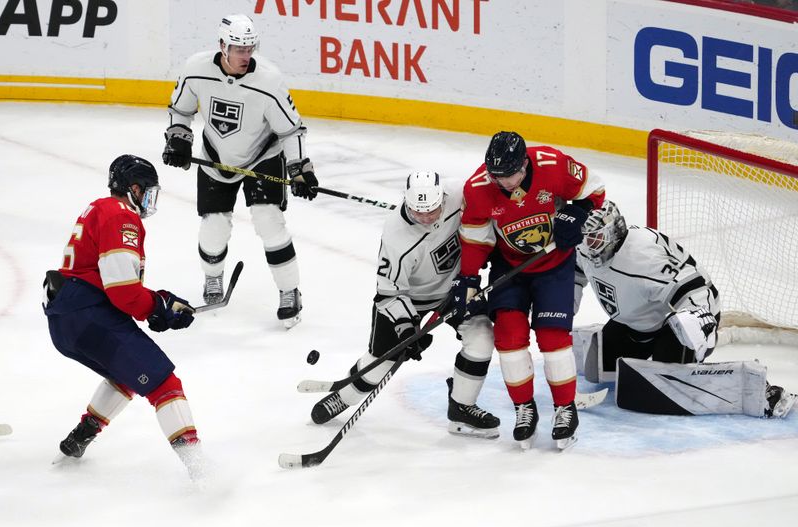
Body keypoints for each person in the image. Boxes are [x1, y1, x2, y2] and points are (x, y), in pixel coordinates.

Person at [43, 155, 203, 480]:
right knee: (164, 385)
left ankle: (80, 438)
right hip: (89, 313)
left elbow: (113, 285)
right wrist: (157, 308)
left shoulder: (100, 208)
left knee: (126, 374)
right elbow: (122, 290)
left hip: (66, 320)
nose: (148, 200)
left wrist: (159, 305)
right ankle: (200, 469)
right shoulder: (122, 215)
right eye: (147, 192)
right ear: (133, 188)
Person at [311, 171, 501, 439]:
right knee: (381, 363)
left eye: (432, 211)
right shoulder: (395, 235)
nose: (425, 218)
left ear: (443, 199)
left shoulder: (460, 193)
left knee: (482, 338)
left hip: (457, 288)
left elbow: (495, 184)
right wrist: (406, 329)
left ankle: (461, 408)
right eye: (417, 212)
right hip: (408, 298)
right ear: (406, 202)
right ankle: (346, 395)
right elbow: (388, 292)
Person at [162, 13, 319, 328]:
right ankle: (212, 277)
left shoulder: (269, 81)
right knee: (214, 228)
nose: (245, 56)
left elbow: (291, 131)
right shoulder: (196, 69)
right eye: (238, 48)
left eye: (250, 48)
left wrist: (300, 168)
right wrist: (178, 138)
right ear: (222, 45)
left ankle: (290, 292)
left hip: (262, 157)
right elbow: (180, 110)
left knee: (269, 222)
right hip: (215, 156)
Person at [452, 131, 605, 450]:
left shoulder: (553, 165)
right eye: (497, 177)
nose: (504, 183)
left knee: (552, 339)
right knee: (508, 340)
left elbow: (594, 188)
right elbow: (476, 237)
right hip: (510, 269)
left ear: (525, 163)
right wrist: (468, 279)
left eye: (509, 175)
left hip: (555, 264)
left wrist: (576, 213)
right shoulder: (478, 188)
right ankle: (525, 408)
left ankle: (565, 408)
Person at [572, 200, 796, 418]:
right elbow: (577, 271)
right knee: (599, 369)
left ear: (614, 232)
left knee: (668, 387)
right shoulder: (588, 250)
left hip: (688, 317)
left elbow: (694, 288)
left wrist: (699, 321)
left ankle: (756, 390)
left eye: (594, 238)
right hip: (639, 319)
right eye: (584, 238)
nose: (587, 245)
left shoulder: (643, 258)